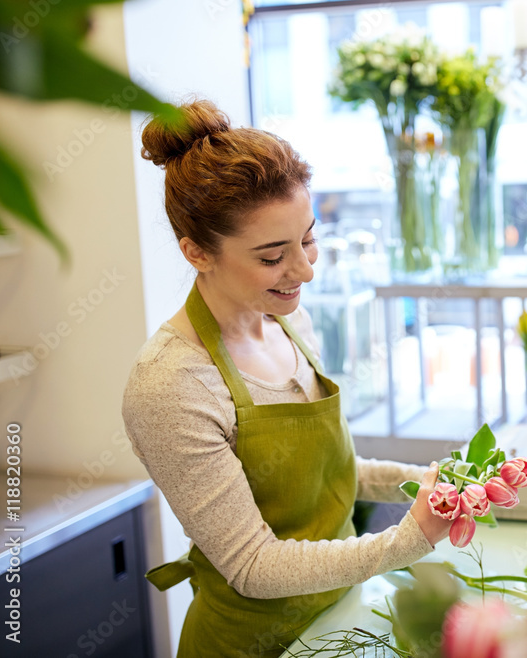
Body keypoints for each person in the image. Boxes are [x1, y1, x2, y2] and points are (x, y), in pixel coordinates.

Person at [122, 99, 452, 658]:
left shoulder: (289, 319)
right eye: (274, 256)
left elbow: (329, 472)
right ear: (197, 252)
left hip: (344, 619)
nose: (304, 269)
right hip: (254, 644)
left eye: (308, 238)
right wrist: (408, 540)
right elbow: (253, 564)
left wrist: (426, 483)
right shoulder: (170, 385)